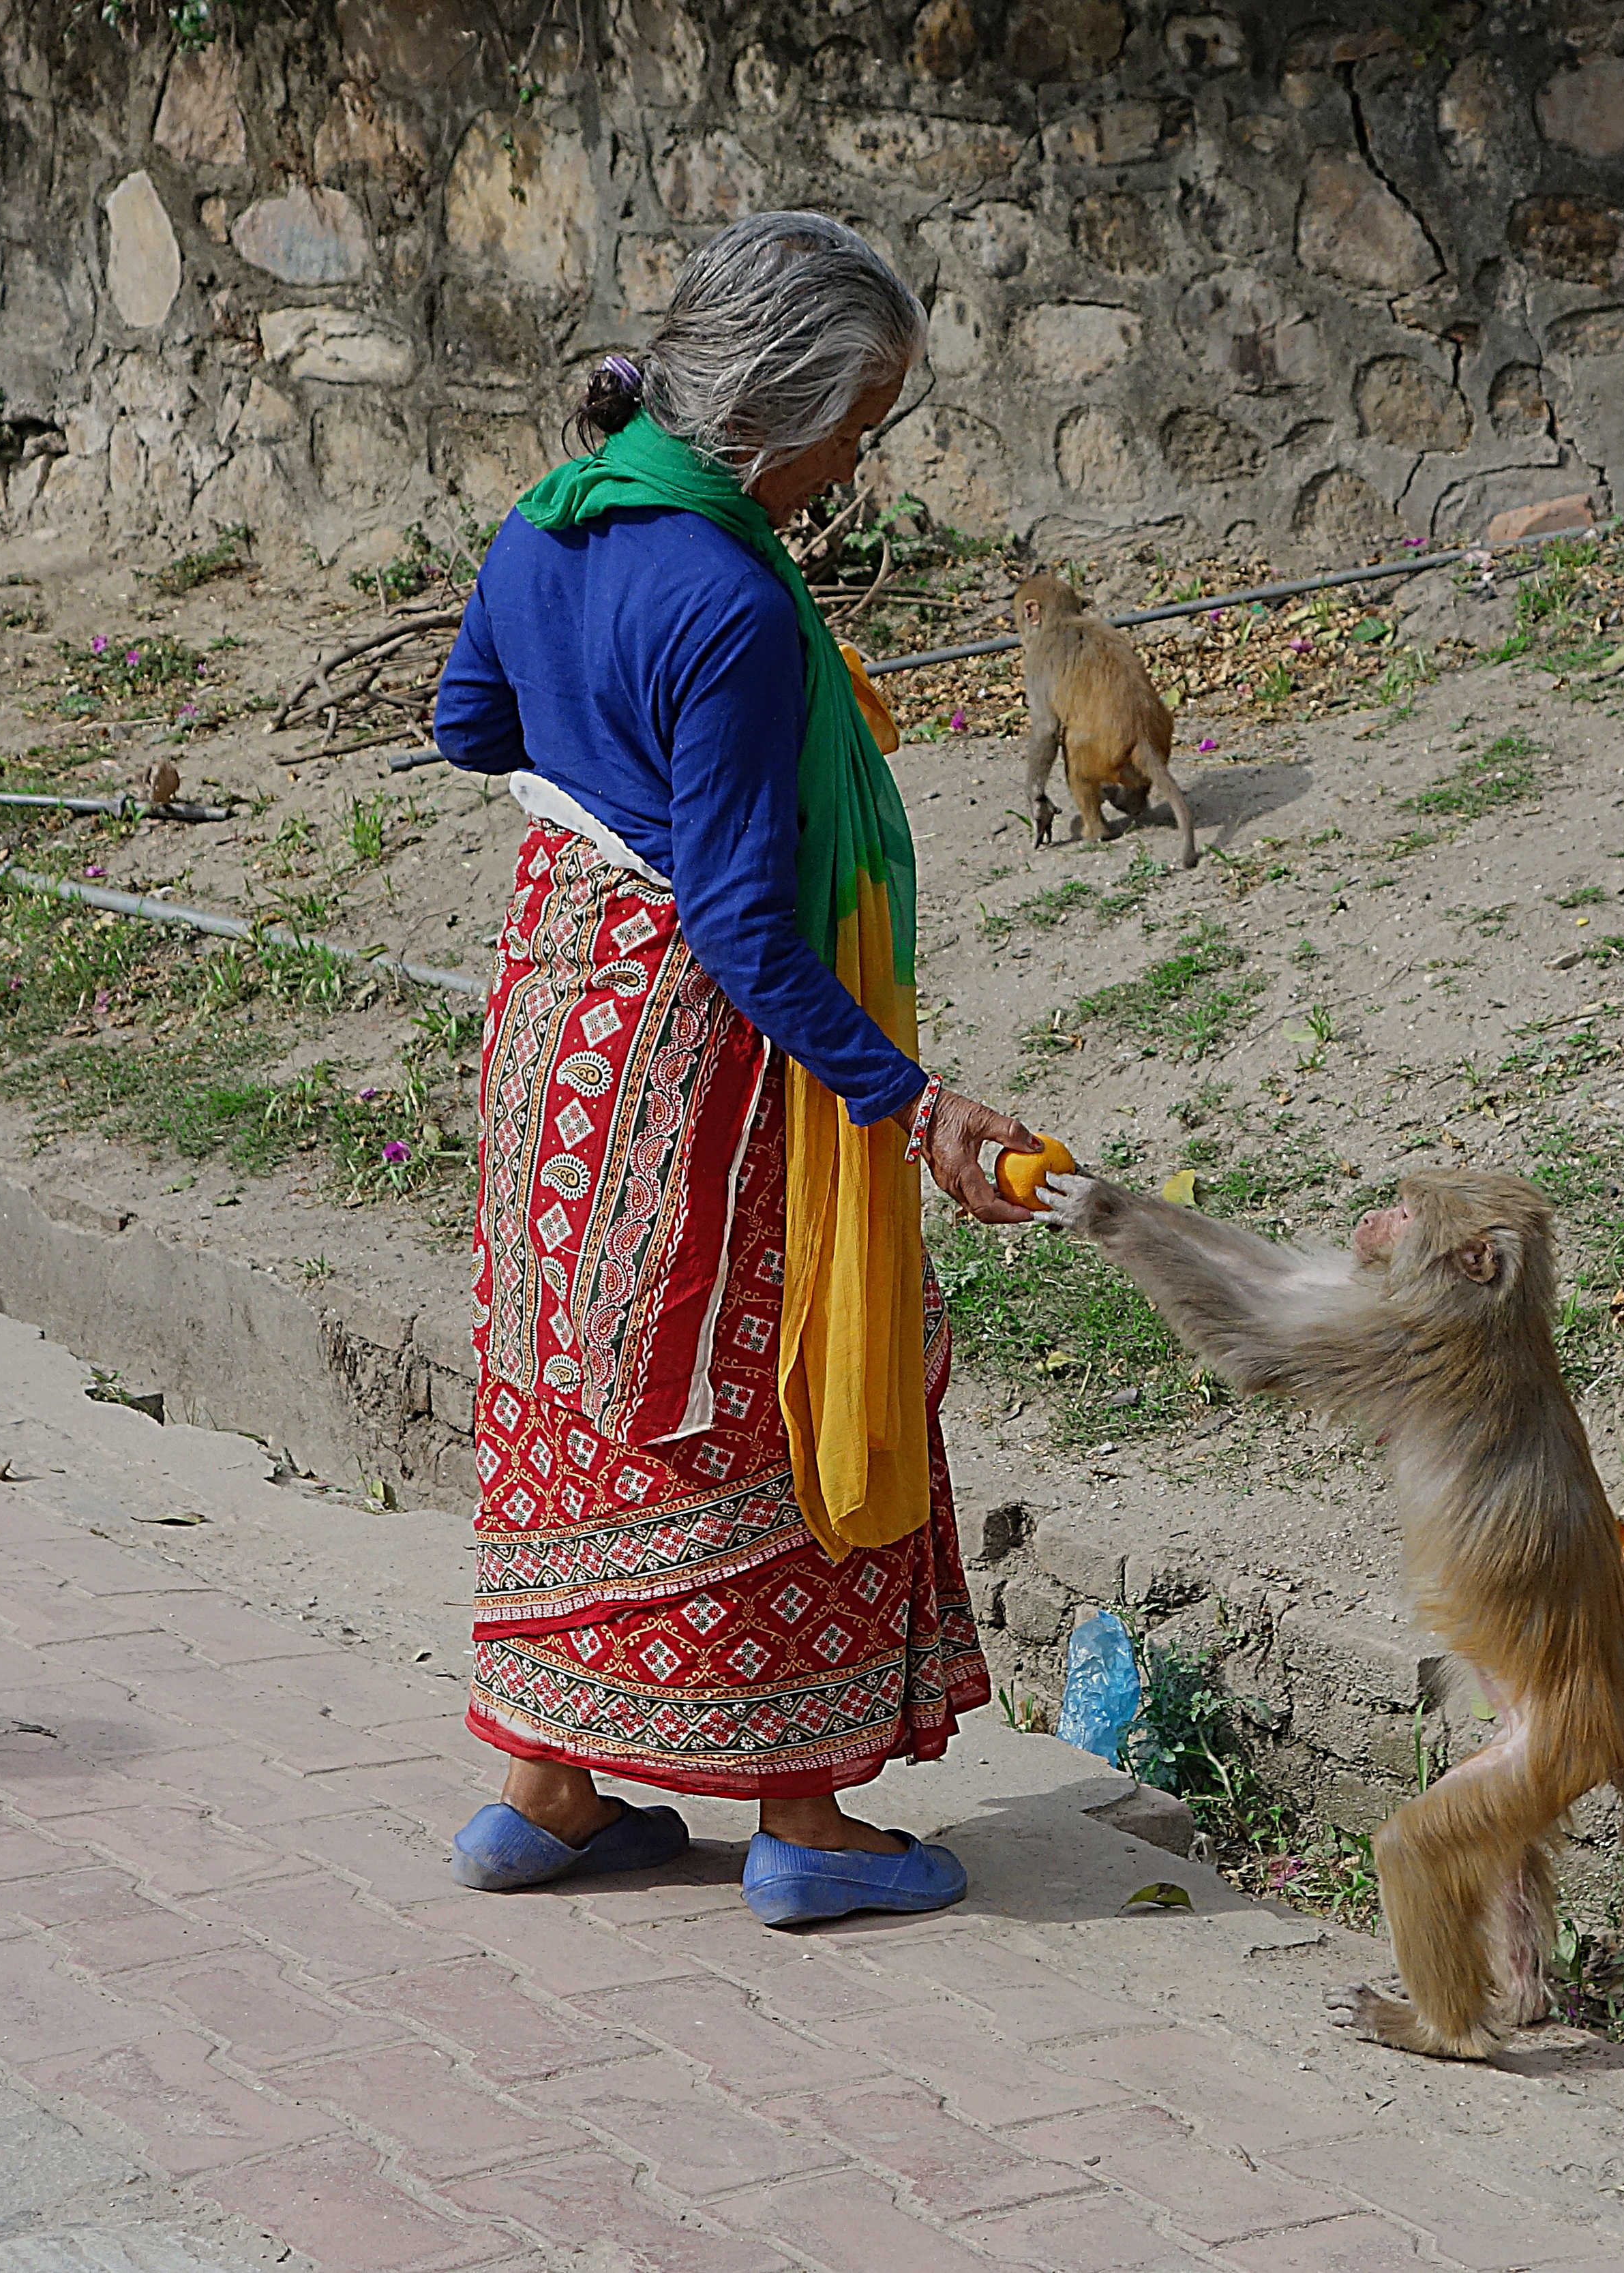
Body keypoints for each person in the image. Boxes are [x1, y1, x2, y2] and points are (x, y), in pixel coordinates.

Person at [429, 212, 1041, 1927]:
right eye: (865, 420)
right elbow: (752, 935)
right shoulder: (729, 600)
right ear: (782, 408)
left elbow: (469, 728)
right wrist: (914, 1105)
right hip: (701, 1058)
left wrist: (598, 743)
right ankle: (805, 1819)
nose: (864, 462)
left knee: (576, 1372)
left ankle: (547, 1790)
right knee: (773, 1363)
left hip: (554, 1020)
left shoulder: (546, 526)